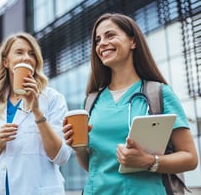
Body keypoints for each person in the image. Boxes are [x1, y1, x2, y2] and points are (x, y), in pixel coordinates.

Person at [63, 13, 198, 194]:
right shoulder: (91, 101)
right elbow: (94, 167)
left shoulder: (159, 93)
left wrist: (149, 161)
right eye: (97, 40)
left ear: (133, 42)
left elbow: (190, 158)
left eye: (110, 35)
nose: (101, 43)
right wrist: (79, 149)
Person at [0, 32, 71, 195]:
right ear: (5, 61)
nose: (26, 57)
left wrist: (38, 113)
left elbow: (61, 156)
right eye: (19, 52)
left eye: (31, 54)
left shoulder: (52, 99)